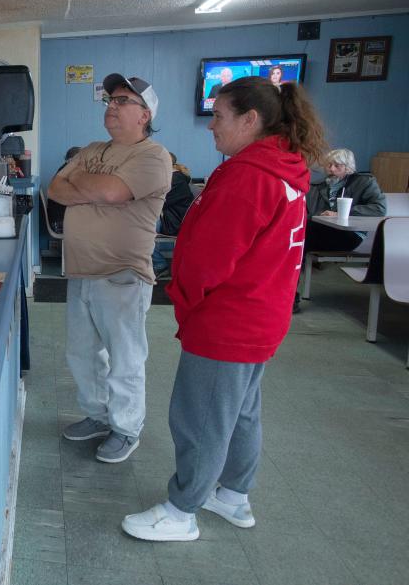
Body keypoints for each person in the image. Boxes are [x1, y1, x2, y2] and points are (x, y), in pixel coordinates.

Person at [121, 77, 328, 542]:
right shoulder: (284, 168)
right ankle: (233, 495)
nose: (211, 126)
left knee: (200, 416)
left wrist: (188, 302)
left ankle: (182, 509)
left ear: (250, 120)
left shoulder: (251, 176)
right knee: (240, 411)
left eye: (218, 116)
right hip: (261, 316)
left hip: (229, 320)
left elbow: (209, 258)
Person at [49, 73, 172, 464]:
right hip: (82, 269)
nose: (112, 107)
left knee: (125, 357)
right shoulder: (93, 148)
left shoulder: (153, 156)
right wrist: (94, 186)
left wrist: (83, 182)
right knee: (82, 353)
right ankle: (98, 415)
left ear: (145, 113)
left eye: (123, 101)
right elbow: (55, 187)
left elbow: (114, 192)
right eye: (110, 101)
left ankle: (126, 427)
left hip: (123, 273)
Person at [293, 148, 387, 311]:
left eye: (338, 166)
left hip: (351, 235)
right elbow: (308, 213)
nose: (331, 169)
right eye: (329, 165)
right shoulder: (317, 187)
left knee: (302, 239)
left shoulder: (364, 182)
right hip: (321, 233)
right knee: (298, 238)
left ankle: (291, 297)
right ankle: (290, 295)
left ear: (349, 167)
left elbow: (378, 208)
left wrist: (342, 213)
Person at [152, 153, 195, 279]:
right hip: (170, 218)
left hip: (175, 222)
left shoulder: (174, 181)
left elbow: (155, 203)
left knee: (139, 231)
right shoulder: (173, 178)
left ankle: (159, 265)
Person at [46, 146, 83, 234]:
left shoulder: (63, 171)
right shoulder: (68, 174)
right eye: (81, 160)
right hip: (60, 223)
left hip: (60, 220)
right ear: (70, 161)